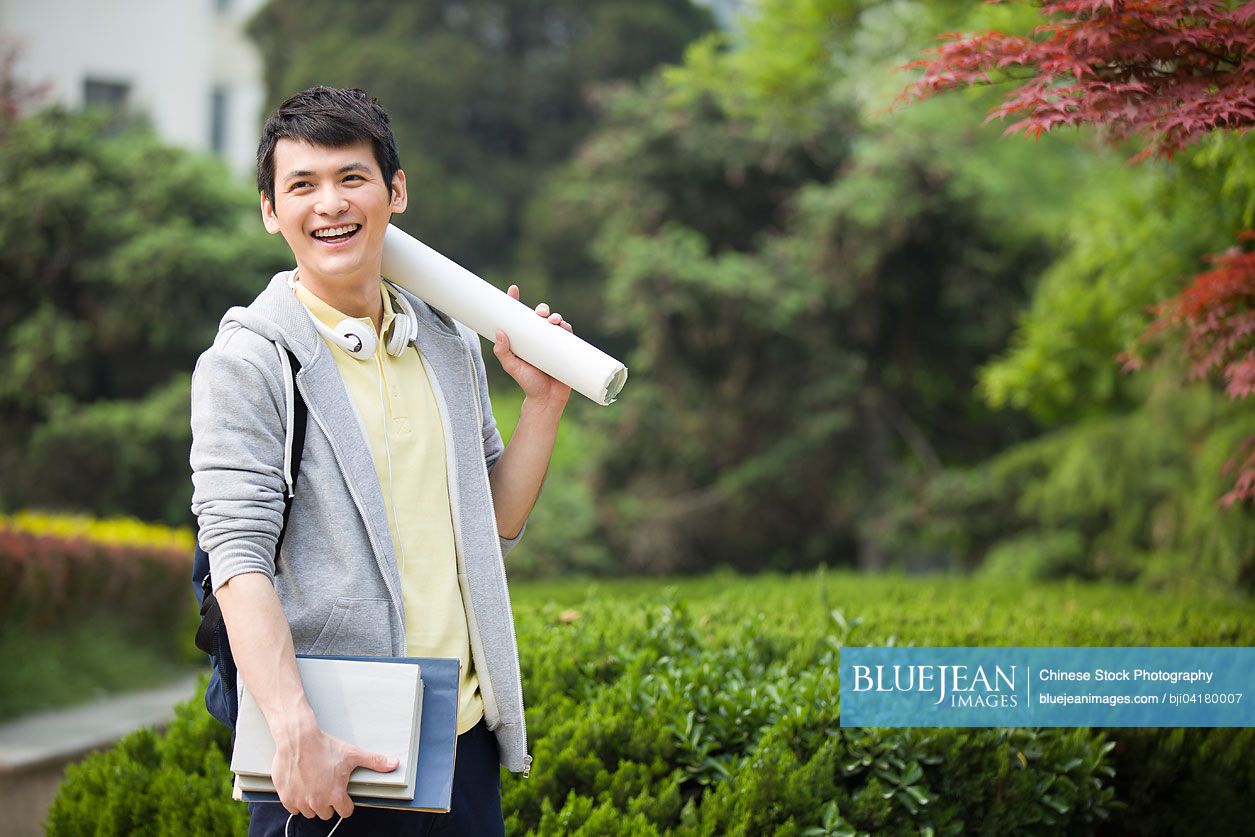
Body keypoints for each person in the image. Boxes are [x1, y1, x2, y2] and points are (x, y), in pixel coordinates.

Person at [190, 86, 570, 837]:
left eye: (351, 177)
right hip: (333, 748)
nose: (329, 204)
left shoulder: (448, 340)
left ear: (394, 191)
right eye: (302, 185)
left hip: (461, 741)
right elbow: (238, 561)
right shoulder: (248, 362)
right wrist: (295, 731)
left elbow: (493, 517)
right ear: (272, 210)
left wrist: (544, 403)